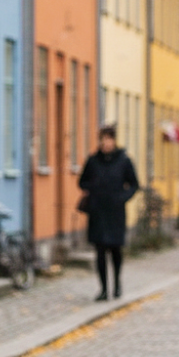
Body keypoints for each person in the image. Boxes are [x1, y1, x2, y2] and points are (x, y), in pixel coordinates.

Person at [78, 125, 139, 301]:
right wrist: (93, 188)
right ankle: (104, 289)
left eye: (108, 139)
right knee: (100, 251)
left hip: (115, 212)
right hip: (98, 212)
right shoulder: (93, 160)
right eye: (102, 139)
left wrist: (122, 197)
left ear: (114, 140)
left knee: (115, 250)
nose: (105, 142)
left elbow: (134, 184)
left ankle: (117, 284)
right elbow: (82, 181)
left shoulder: (124, 160)